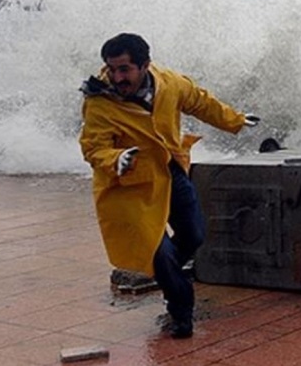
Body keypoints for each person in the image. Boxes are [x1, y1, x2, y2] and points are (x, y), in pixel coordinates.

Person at [78, 33, 259, 339]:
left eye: (125, 69)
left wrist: (235, 121)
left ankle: (167, 273)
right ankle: (180, 311)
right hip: (128, 185)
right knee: (158, 253)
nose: (117, 77)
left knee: (194, 234)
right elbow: (93, 148)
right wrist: (116, 158)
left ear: (145, 65)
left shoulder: (169, 84)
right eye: (111, 69)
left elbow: (201, 102)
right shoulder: (99, 103)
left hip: (169, 169)